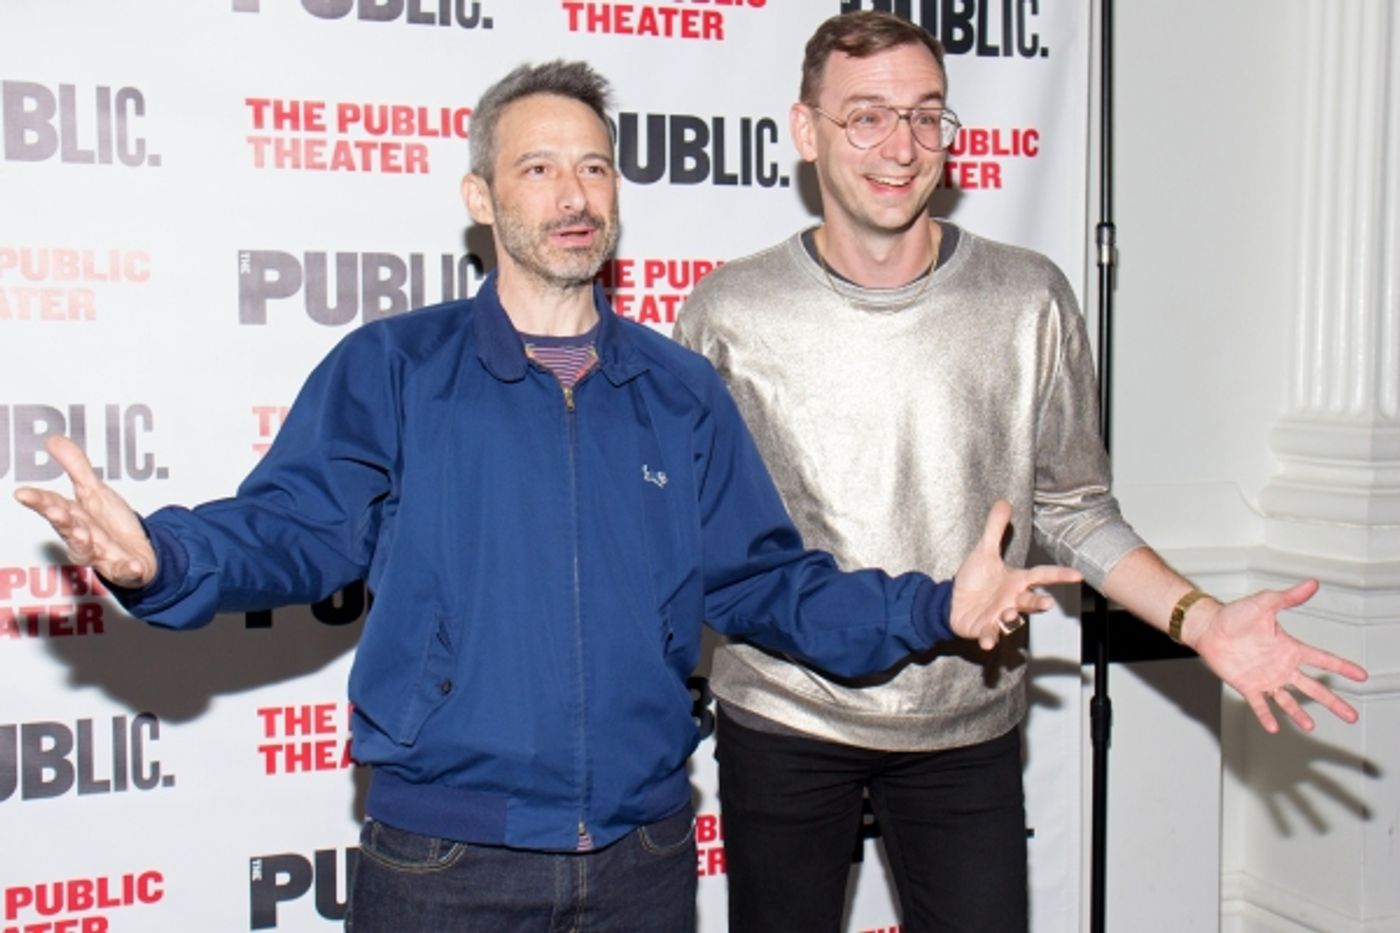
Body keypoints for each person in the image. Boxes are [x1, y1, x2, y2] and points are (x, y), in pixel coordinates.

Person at [13, 61, 1082, 932]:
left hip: (645, 861)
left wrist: (931, 609)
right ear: (481, 200)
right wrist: (161, 557)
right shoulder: (394, 368)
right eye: (537, 169)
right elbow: (293, 529)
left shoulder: (676, 389)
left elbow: (769, 583)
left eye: (595, 169)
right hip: (443, 867)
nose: (574, 197)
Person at [672, 12, 1370, 933]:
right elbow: (707, 546)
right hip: (785, 717)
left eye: (927, 115)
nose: (903, 146)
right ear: (806, 132)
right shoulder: (729, 310)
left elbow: (1075, 509)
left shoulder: (1028, 295)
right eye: (868, 117)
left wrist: (1200, 622)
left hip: (967, 723)